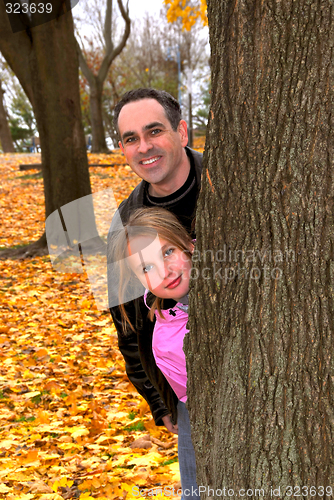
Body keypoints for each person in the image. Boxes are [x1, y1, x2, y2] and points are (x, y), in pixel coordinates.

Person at [107, 88, 203, 497]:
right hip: (190, 392)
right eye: (131, 138)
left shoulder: (232, 186)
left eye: (154, 131)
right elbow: (127, 324)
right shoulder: (125, 225)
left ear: (181, 132)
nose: (144, 147)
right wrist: (158, 399)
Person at [110, 207, 198, 496]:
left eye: (168, 251)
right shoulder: (159, 328)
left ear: (189, 243)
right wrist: (161, 404)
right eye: (146, 268)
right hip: (192, 412)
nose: (163, 271)